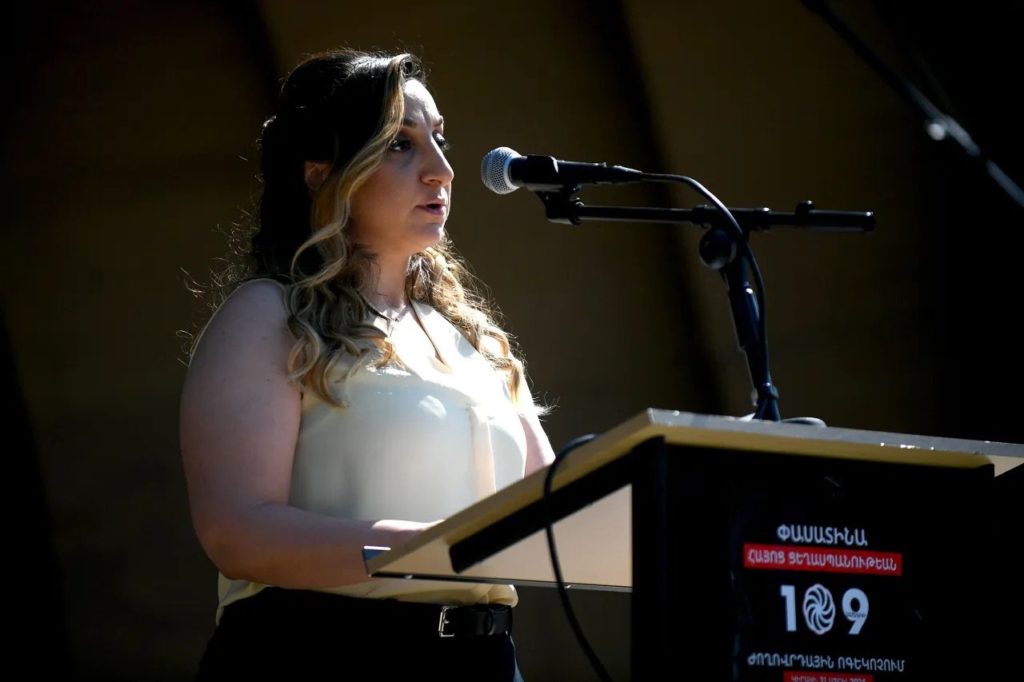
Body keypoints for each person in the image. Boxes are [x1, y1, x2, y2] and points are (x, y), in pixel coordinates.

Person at [179, 48, 555, 681]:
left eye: (439, 140)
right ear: (320, 173)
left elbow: (556, 510)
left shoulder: (473, 339)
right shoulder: (267, 316)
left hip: (484, 658)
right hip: (323, 653)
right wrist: (434, 550)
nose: (442, 171)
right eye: (400, 146)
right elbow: (236, 532)